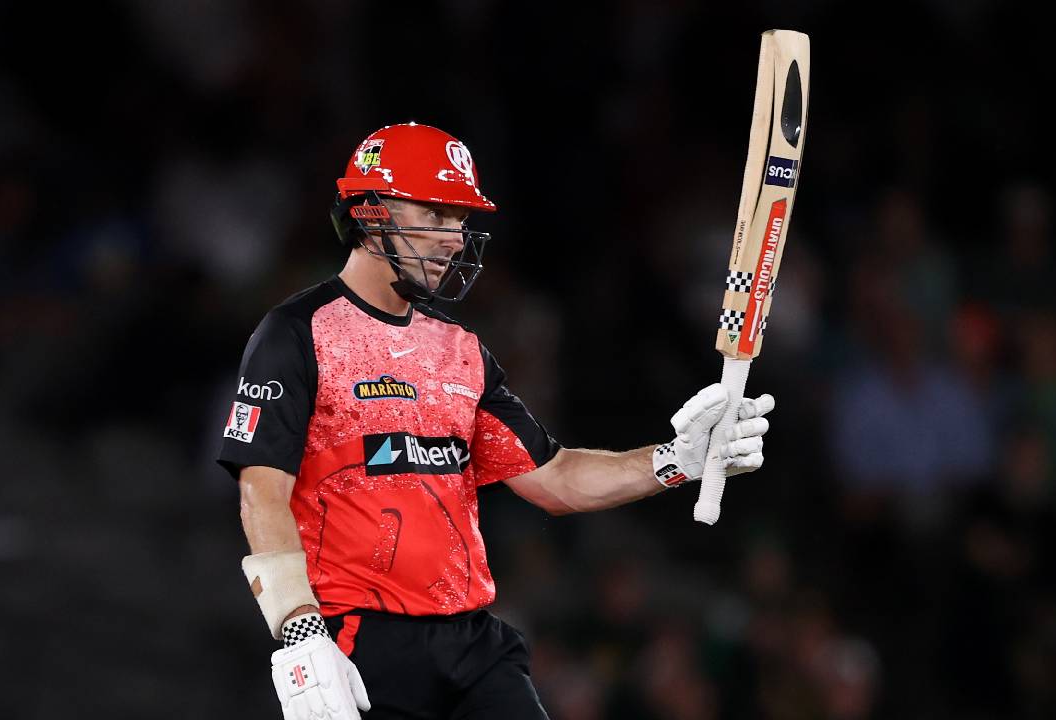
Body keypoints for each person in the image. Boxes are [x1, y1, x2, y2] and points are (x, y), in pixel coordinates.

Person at [217, 122, 775, 720]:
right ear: (372, 212)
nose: (453, 238)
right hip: (358, 640)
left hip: (473, 645)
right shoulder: (297, 333)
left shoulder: (461, 350)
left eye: (459, 220)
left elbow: (554, 477)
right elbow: (261, 494)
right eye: (434, 214)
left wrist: (677, 459)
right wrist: (300, 630)